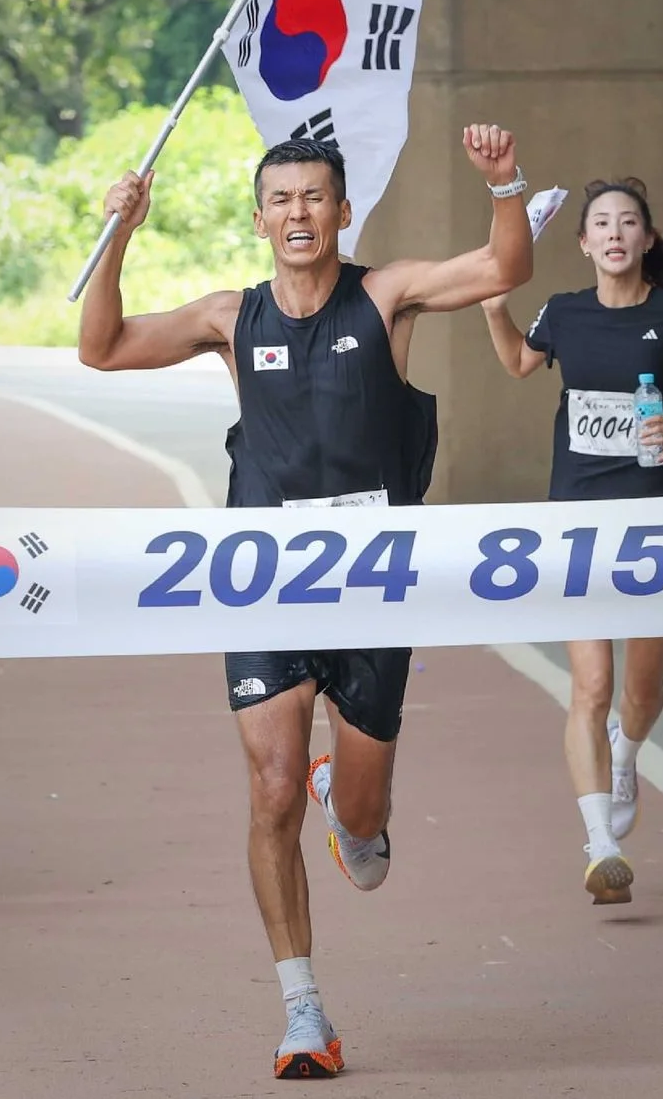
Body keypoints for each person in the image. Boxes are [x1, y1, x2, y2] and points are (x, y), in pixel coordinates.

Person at [78, 126, 533, 1078]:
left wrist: (505, 185)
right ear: (258, 219)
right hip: (266, 587)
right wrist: (119, 233)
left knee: (362, 839)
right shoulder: (229, 318)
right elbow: (104, 348)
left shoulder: (386, 294)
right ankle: (303, 1012)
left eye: (314, 198)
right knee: (271, 789)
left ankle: (351, 803)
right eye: (280, 200)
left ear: (341, 210)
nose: (298, 214)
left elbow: (499, 266)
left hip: (376, 590)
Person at [481, 177, 663, 905]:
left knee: (640, 689)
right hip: (577, 519)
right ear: (584, 242)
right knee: (591, 686)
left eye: (627, 222)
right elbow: (516, 363)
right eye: (600, 222)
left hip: (659, 523)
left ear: (646, 239)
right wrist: (492, 306)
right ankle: (600, 845)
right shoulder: (563, 314)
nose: (613, 233)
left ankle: (628, 755)